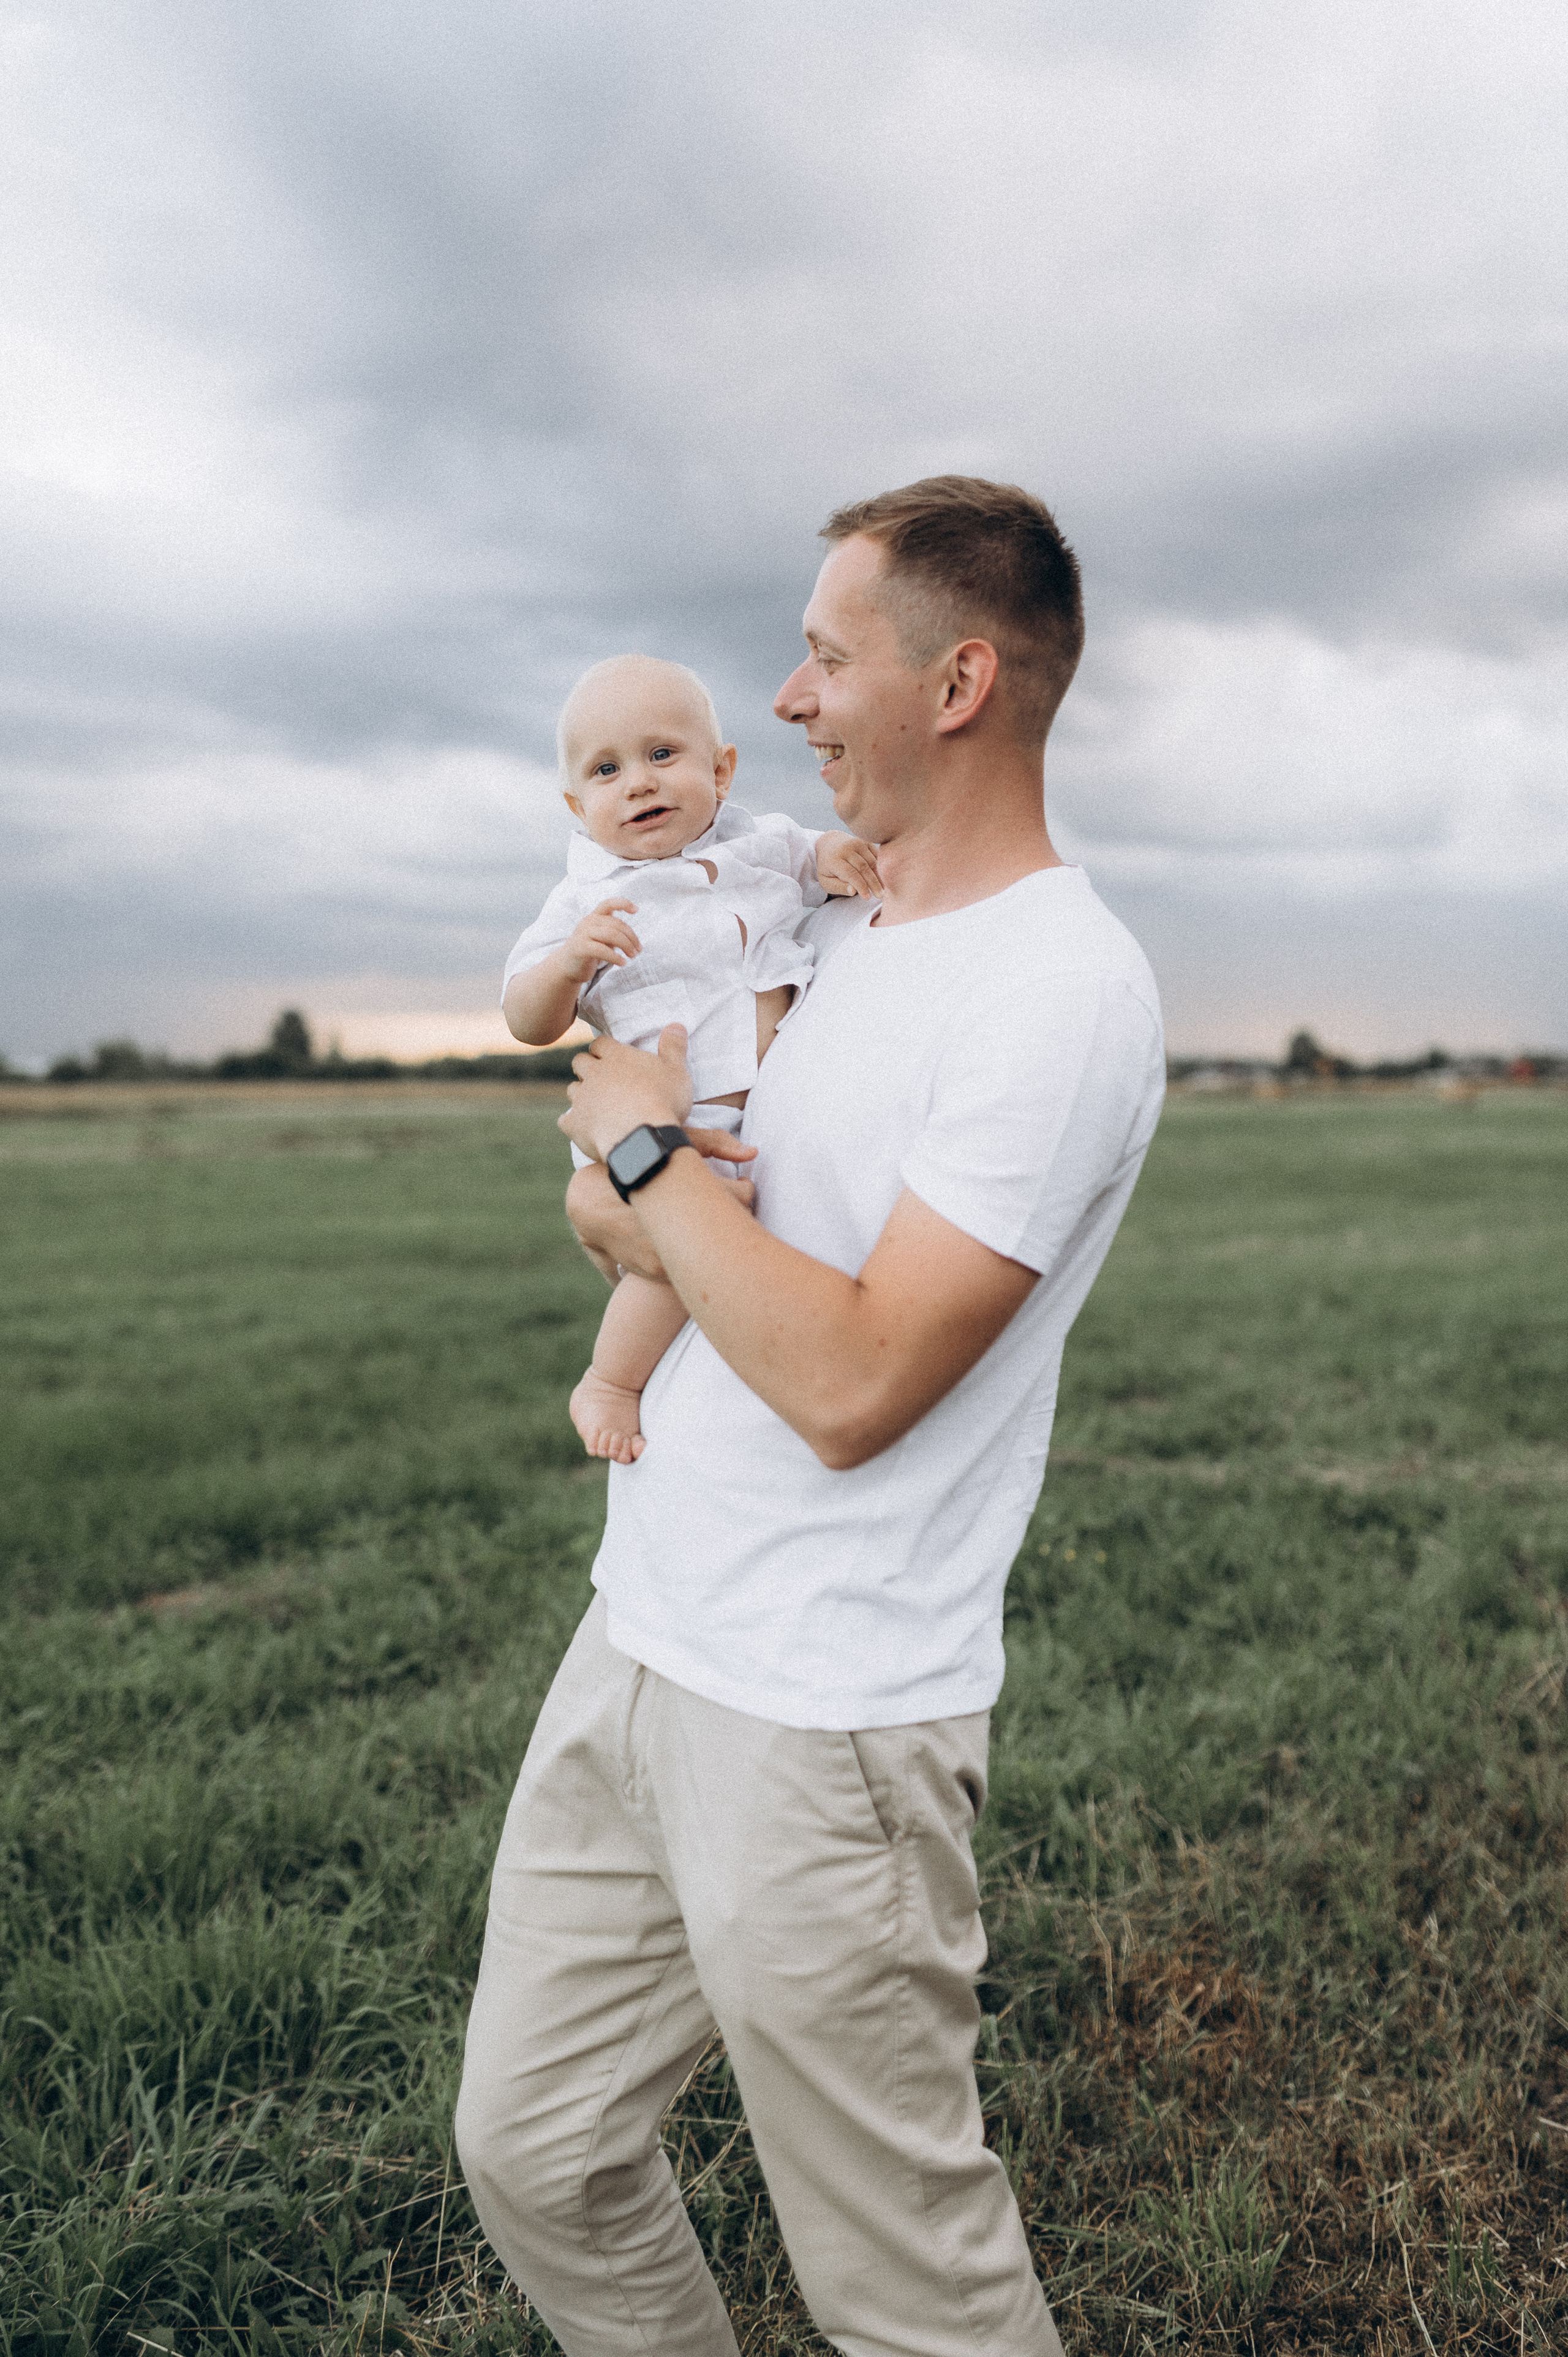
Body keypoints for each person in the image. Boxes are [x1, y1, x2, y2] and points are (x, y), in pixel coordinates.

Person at [456, 477, 1166, 2357]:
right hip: (644, 1637)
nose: (785, 702)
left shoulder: (1059, 990)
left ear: (956, 682)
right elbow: (651, 1212)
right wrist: (630, 1191)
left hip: (827, 1722)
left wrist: (632, 1157)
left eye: (825, 657)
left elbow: (852, 1379)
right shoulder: (826, 926)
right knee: (534, 2148)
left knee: (910, 2291)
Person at [501, 653, 881, 1462]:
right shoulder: (585, 901)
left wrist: (835, 858)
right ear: (577, 805)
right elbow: (524, 1017)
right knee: (680, 1245)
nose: (637, 783)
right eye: (606, 770)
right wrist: (569, 963)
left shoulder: (764, 846)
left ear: (723, 769)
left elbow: (814, 858)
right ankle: (611, 1379)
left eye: (662, 755)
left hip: (748, 1116)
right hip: (665, 1121)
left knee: (720, 1232)